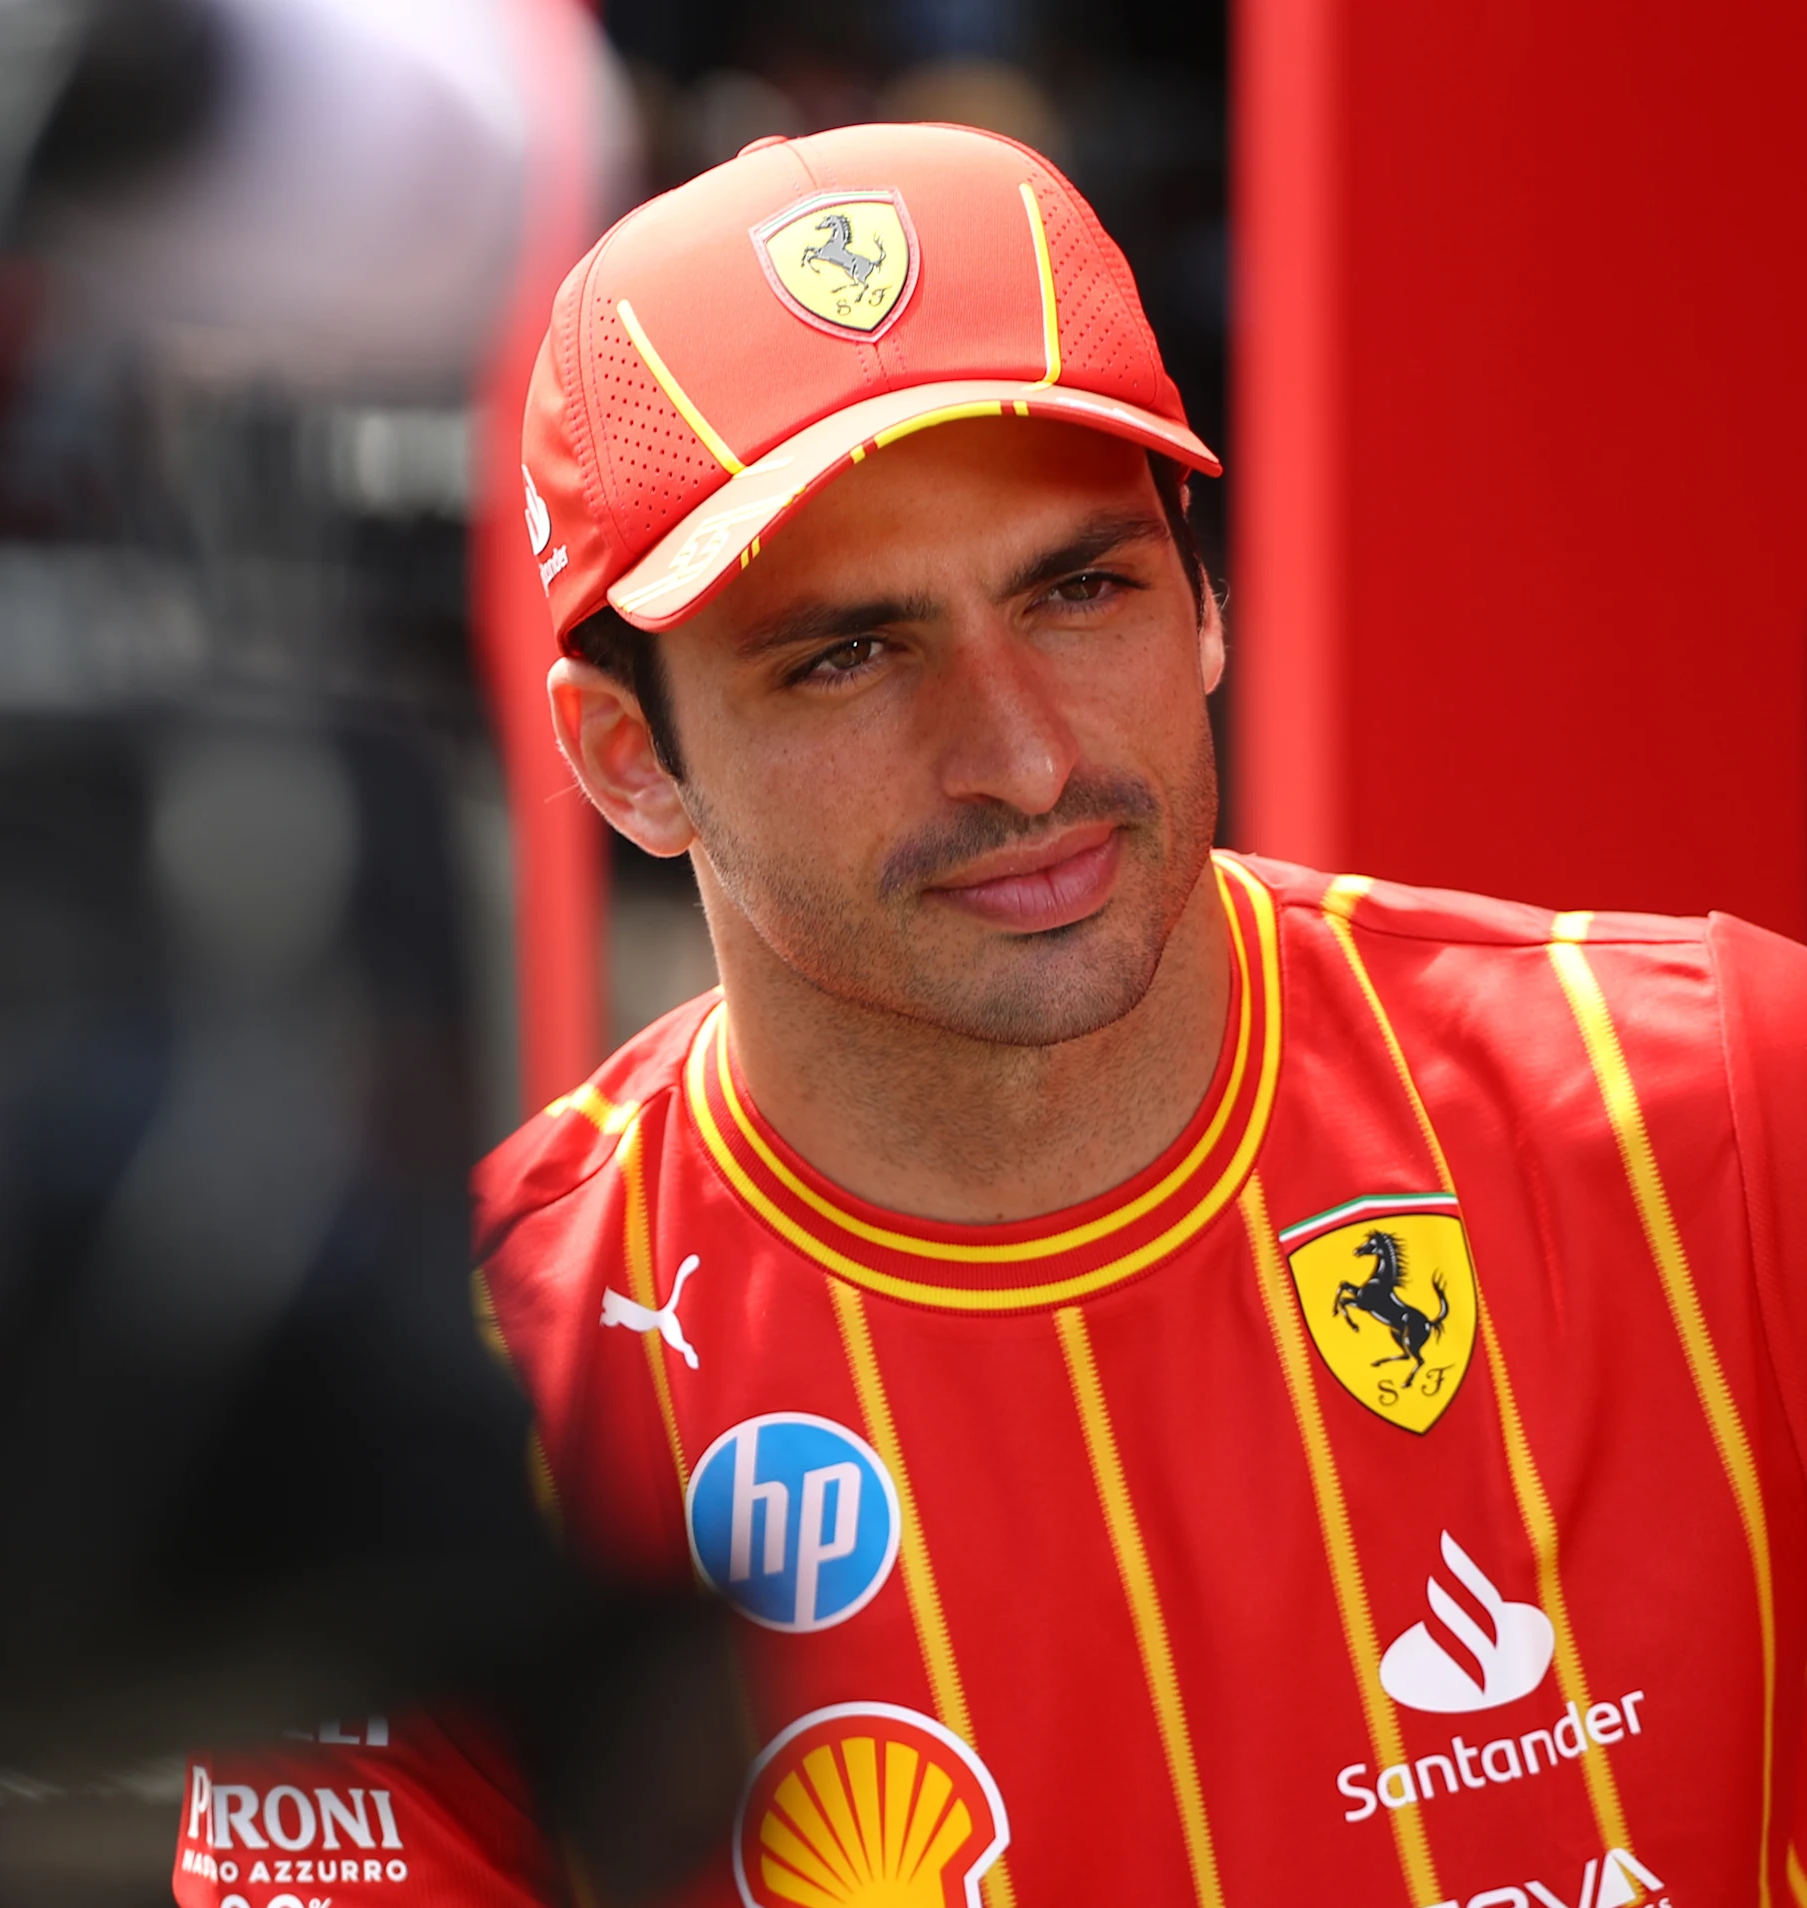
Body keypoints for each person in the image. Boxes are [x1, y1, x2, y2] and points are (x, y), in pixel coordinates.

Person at [171, 121, 1807, 1908]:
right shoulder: (447, 1427)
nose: (1024, 758)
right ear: (629, 759)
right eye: (850, 654)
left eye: (1079, 588)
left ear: (1204, 603)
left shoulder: (1726, 1115)